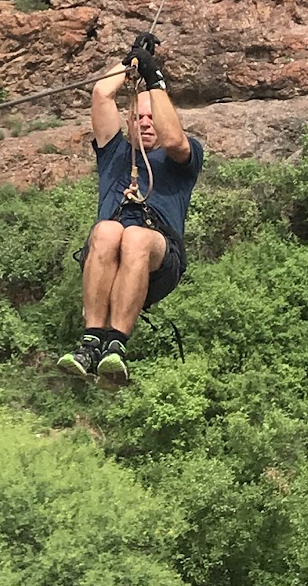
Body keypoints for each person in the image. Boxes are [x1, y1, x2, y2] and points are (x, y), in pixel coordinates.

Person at [59, 34, 204, 387]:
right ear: (129, 123)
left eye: (154, 117)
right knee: (108, 231)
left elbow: (174, 139)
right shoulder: (116, 154)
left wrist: (154, 79)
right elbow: (101, 94)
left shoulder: (182, 158)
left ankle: (117, 345)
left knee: (135, 236)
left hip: (158, 259)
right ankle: (92, 343)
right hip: (110, 255)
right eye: (139, 117)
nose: (147, 122)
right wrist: (129, 64)